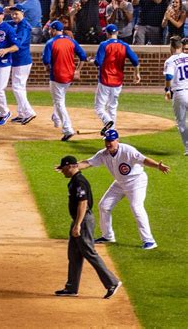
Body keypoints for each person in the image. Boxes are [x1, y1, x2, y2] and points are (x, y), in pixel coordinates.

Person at [78, 129, 170, 250]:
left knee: (136, 207)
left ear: (117, 140)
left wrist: (157, 165)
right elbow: (88, 163)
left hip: (136, 182)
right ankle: (108, 236)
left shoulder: (128, 150)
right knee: (104, 206)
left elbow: (144, 160)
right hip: (120, 183)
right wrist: (71, 166)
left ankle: (149, 241)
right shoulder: (103, 154)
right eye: (106, 141)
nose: (108, 144)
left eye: (110, 141)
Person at [54, 155, 121, 299]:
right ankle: (71, 288)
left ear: (70, 166)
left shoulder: (79, 181)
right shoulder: (74, 180)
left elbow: (83, 203)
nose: (62, 171)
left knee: (89, 252)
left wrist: (77, 225)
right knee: (74, 254)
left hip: (83, 221)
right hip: (78, 220)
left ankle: (112, 282)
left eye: (63, 168)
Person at [42, 21, 87, 141]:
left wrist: (47, 68)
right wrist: (78, 70)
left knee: (59, 102)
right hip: (69, 76)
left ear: (53, 30)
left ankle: (68, 129)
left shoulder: (51, 42)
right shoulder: (71, 41)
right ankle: (56, 118)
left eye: (50, 29)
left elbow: (46, 60)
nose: (49, 31)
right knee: (59, 98)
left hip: (57, 76)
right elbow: (83, 56)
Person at [93, 24, 141, 134]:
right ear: (117, 33)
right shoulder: (124, 45)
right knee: (112, 107)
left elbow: (98, 62)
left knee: (99, 107)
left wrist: (93, 61)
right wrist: (136, 73)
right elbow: (135, 60)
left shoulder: (104, 45)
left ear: (107, 34)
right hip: (118, 81)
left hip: (105, 80)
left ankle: (107, 121)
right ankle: (112, 130)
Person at [8, 5, 37, 125]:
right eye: (12, 14)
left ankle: (29, 112)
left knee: (17, 87)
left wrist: (6, 49)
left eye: (16, 14)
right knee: (20, 87)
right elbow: (7, 23)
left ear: (22, 14)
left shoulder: (24, 26)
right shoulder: (17, 24)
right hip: (19, 60)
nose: (14, 16)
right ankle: (21, 113)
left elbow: (17, 45)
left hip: (22, 60)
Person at [163, 36, 188, 155]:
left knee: (181, 122)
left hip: (180, 94)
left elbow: (169, 76)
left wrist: (167, 89)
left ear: (171, 46)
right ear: (181, 46)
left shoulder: (170, 60)